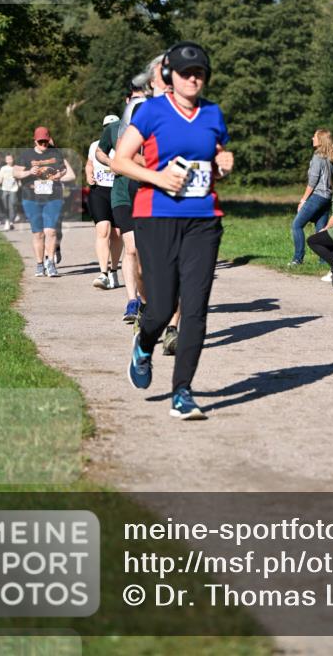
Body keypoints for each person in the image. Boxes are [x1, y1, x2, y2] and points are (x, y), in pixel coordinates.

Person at [111, 41, 234, 420]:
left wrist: (223, 162)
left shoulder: (213, 114)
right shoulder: (151, 112)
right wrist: (158, 177)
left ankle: (182, 392)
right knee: (162, 307)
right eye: (185, 73)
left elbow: (215, 158)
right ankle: (144, 344)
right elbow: (120, 161)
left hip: (203, 220)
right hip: (156, 216)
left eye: (199, 73)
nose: (193, 78)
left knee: (195, 309)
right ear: (170, 76)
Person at [96, 79, 149, 321]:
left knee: (148, 252)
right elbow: (100, 150)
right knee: (132, 248)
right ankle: (131, 301)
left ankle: (148, 300)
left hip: (149, 193)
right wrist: (111, 163)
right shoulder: (115, 128)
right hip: (122, 193)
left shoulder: (158, 125)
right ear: (127, 102)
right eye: (134, 99)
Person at [14, 127, 68, 277]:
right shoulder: (26, 155)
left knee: (50, 231)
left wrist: (59, 174)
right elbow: (15, 172)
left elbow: (63, 169)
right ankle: (39, 264)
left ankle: (50, 263)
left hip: (53, 197)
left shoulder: (56, 153)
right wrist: (28, 172)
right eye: (40, 142)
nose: (43, 144)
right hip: (31, 198)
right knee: (38, 233)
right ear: (35, 140)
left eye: (45, 141)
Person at [289, 128, 333, 266]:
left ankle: (297, 259)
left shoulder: (317, 157)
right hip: (327, 197)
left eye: (314, 136)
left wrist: (303, 200)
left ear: (320, 139)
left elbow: (312, 182)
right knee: (320, 229)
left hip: (318, 196)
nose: (312, 138)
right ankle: (324, 261)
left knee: (296, 225)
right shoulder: (329, 158)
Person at [86, 115, 122, 290]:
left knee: (117, 233)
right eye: (107, 127)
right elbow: (89, 164)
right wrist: (88, 174)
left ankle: (114, 270)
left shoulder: (123, 145)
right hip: (99, 191)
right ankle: (103, 273)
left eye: (113, 126)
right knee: (103, 230)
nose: (110, 130)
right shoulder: (95, 146)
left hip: (118, 190)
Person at [0, 154, 19, 230]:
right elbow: (0, 179)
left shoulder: (16, 168)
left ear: (13, 159)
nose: (9, 160)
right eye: (7, 159)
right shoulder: (3, 168)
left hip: (13, 189)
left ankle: (11, 221)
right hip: (4, 189)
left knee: (12, 205)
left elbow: (19, 177)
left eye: (10, 159)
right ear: (5, 160)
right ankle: (7, 221)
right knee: (5, 207)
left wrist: (20, 182)